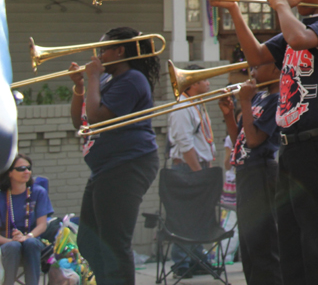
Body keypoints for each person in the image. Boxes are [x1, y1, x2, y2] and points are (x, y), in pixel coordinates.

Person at [212, 0, 318, 285]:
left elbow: (300, 40)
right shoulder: (297, 27)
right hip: (292, 146)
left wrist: (280, 6)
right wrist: (235, 10)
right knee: (291, 242)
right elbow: (258, 57)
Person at [68, 26, 160, 285]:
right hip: (107, 168)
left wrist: (94, 77)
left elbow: (97, 119)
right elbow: (82, 122)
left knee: (113, 244)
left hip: (128, 164)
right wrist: (80, 87)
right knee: (88, 241)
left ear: (120, 50)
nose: (98, 55)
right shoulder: (110, 80)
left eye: (103, 50)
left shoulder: (132, 79)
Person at [218, 62, 282, 285]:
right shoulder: (258, 97)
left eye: (257, 67)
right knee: (248, 244)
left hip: (262, 171)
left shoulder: (278, 99)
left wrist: (244, 101)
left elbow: (255, 140)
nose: (251, 73)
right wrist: (228, 115)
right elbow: (240, 142)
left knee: (263, 243)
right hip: (246, 171)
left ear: (276, 69)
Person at [166, 65, 216, 277]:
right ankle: (181, 262)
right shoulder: (182, 107)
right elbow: (184, 143)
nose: (209, 83)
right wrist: (198, 172)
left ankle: (197, 258)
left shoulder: (197, 105)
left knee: (198, 216)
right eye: (205, 80)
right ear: (194, 82)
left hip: (198, 166)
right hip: (187, 168)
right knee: (185, 216)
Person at [0, 154, 51, 285]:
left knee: (31, 243)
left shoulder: (38, 192)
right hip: (5, 242)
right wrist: (10, 240)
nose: (27, 171)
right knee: (13, 246)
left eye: (29, 168)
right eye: (21, 168)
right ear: (9, 172)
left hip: (32, 240)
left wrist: (27, 237)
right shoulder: (2, 196)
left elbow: (42, 225)